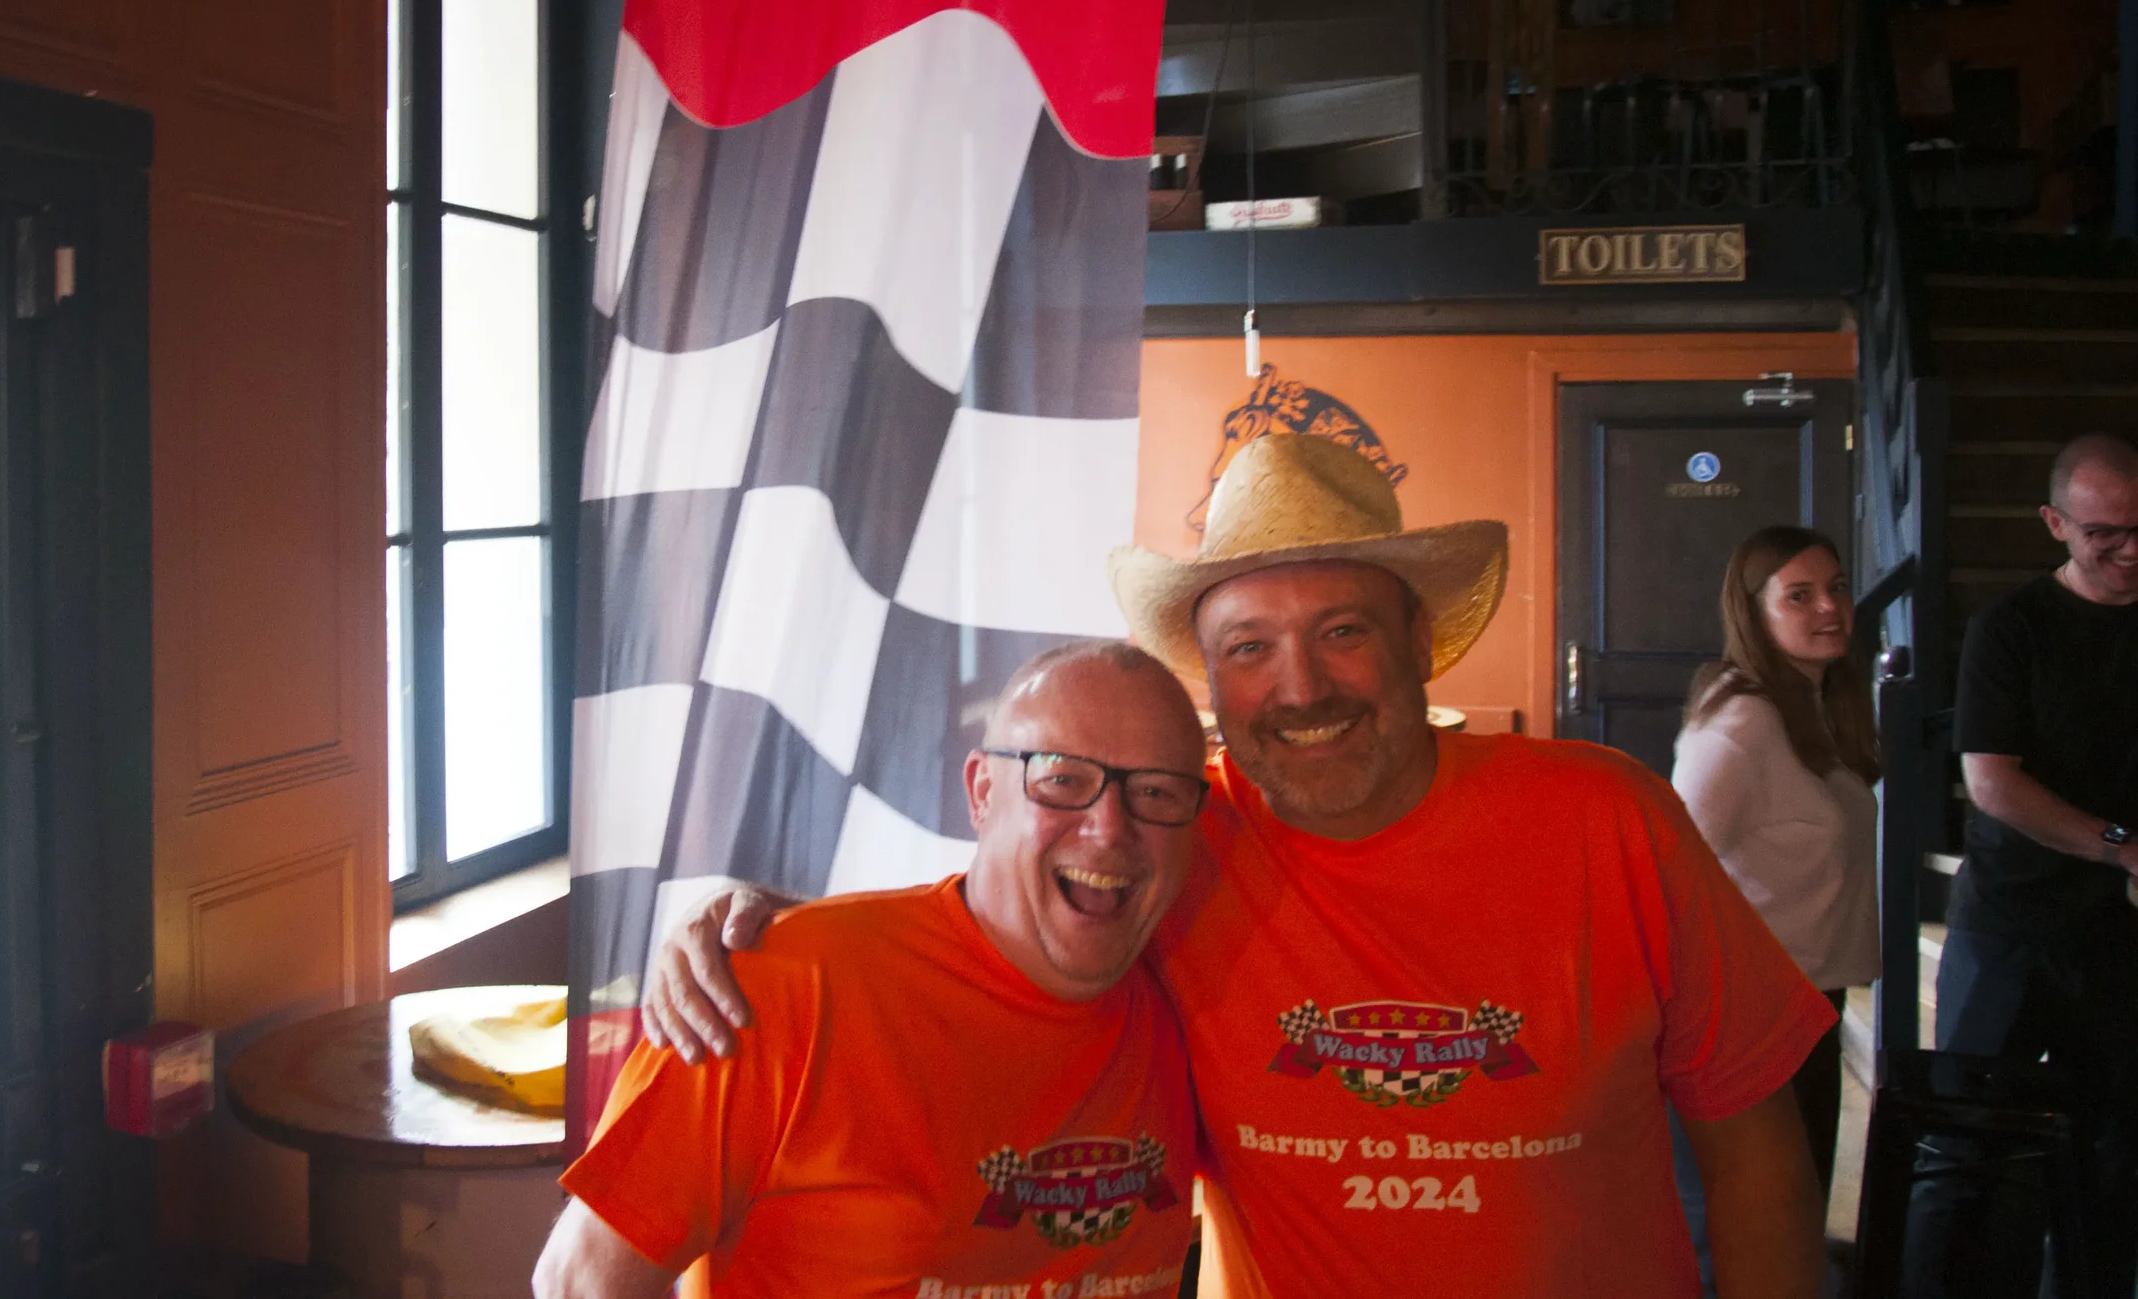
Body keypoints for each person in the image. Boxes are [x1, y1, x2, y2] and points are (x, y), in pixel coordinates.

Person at [645, 433, 1836, 1299]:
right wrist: (767, 926)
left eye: (1343, 632)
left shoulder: (1606, 818)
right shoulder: (1170, 839)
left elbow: (1752, 1146)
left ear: (1421, 643)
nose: (1301, 687)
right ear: (1212, 686)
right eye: (1250, 648)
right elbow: (989, 927)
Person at [534, 640, 1210, 1299]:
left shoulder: (1197, 999)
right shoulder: (774, 992)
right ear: (981, 791)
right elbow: (578, 1282)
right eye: (1062, 780)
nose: (1111, 827)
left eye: (1157, 792)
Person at [1927, 431, 2138, 1292]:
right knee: (1972, 1149)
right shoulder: (2009, 628)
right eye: (2106, 533)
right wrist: (2120, 847)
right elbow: (1993, 784)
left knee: (2116, 1158)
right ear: (2056, 523)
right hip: (2009, 930)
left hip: (2117, 942)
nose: (2131, 551)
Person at [1669, 528, 1880, 1288]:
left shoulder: (1818, 707)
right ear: (1754, 614)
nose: (1829, 607)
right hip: (1752, 1014)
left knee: (1792, 1220)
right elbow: (1673, 872)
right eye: (1800, 595)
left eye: (1838, 588)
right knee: (1756, 1228)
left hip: (1807, 1004)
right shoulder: (1741, 724)